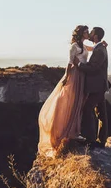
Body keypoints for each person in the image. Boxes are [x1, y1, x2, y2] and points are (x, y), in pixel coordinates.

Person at [37, 25, 106, 156]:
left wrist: (103, 44)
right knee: (70, 102)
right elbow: (69, 63)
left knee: (79, 103)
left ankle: (74, 131)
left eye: (89, 32)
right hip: (75, 76)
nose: (88, 33)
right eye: (86, 32)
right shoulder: (74, 46)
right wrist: (66, 78)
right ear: (81, 34)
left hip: (83, 77)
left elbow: (95, 48)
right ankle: (64, 132)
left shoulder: (83, 46)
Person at [78, 27, 110, 149]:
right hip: (99, 86)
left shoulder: (100, 50)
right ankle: (101, 140)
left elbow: (93, 68)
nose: (90, 34)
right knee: (101, 113)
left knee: (87, 109)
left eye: (91, 32)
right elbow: (90, 48)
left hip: (97, 86)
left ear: (95, 36)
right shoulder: (99, 47)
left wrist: (78, 64)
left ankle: (91, 141)